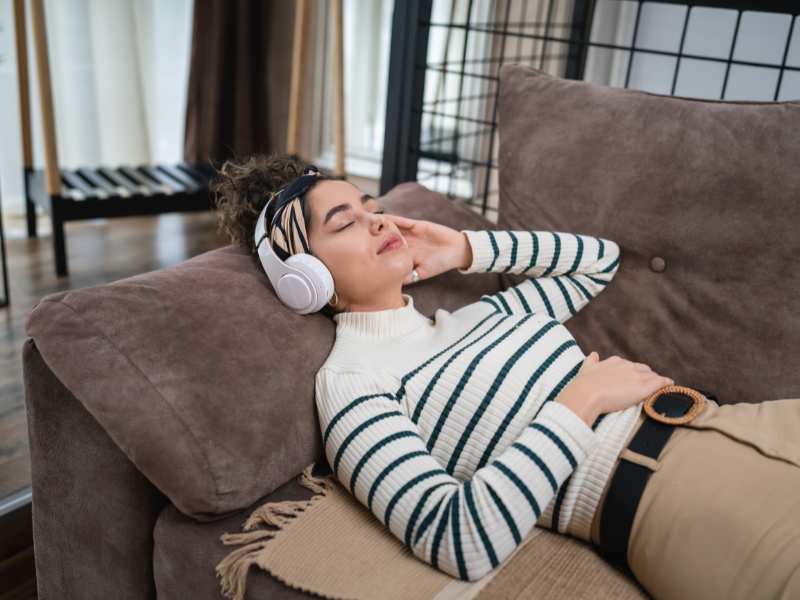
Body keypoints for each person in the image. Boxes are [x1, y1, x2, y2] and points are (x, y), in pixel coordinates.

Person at [212, 152, 800, 599]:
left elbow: (599, 261)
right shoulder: (353, 383)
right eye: (344, 222)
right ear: (305, 276)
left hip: (753, 422)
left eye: (371, 207)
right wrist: (581, 402)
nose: (376, 222)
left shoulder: (483, 314)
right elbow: (457, 536)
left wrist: (466, 248)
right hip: (673, 500)